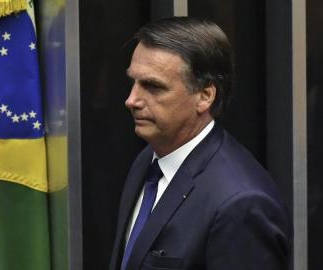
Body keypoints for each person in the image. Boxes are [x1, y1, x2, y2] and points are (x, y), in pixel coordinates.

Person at [109, 17, 292, 270]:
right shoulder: (149, 160)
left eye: (153, 86)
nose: (132, 100)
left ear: (205, 95)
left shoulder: (241, 204)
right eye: (134, 82)